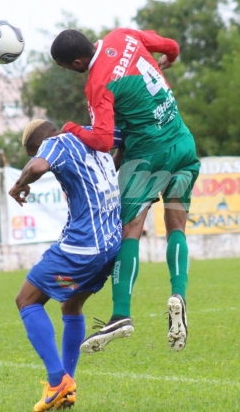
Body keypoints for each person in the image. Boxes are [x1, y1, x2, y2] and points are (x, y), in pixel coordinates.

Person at [50, 28, 200, 352]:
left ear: (77, 62)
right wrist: (168, 60)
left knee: (129, 231)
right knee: (177, 226)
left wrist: (71, 129)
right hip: (183, 143)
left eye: (67, 68)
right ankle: (178, 293)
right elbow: (172, 45)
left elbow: (103, 139)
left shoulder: (97, 83)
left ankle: (121, 314)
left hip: (147, 158)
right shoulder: (123, 36)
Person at [9, 119, 122, 411]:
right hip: (109, 248)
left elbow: (37, 168)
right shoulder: (92, 135)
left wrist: (20, 184)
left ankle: (57, 380)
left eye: (35, 152)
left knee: (27, 300)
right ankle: (67, 385)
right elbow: (123, 141)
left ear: (37, 146)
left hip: (80, 249)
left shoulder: (55, 143)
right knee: (71, 306)